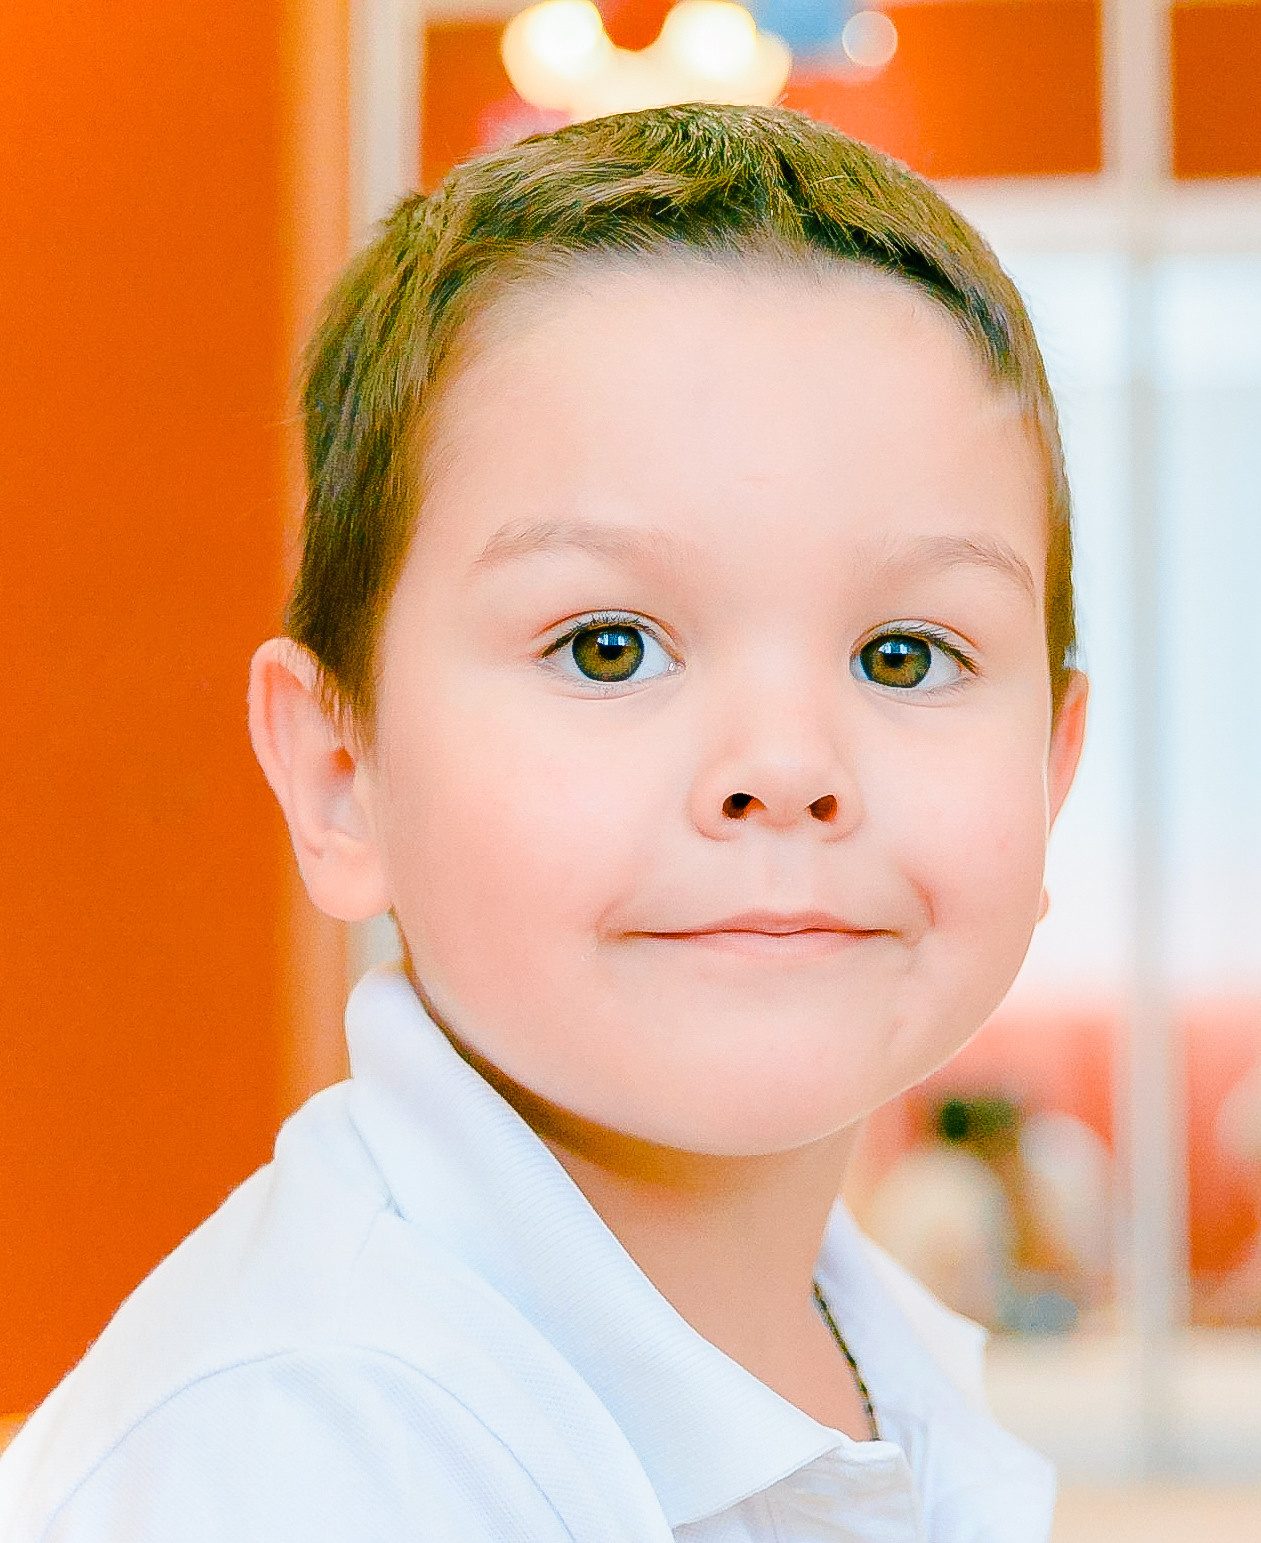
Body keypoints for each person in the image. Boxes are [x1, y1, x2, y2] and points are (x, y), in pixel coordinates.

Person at [0, 103, 1088, 1543]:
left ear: (1052, 775)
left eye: (904, 655)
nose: (783, 767)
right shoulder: (302, 1458)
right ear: (341, 776)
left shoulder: (875, 1348)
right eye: (609, 647)